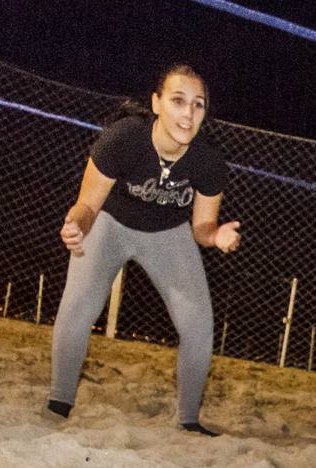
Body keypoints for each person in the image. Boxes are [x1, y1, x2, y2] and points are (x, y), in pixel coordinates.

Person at [48, 63, 240, 435]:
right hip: (110, 224)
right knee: (79, 306)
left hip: (168, 234)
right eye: (178, 101)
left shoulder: (209, 160)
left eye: (198, 105)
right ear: (156, 103)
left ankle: (189, 421)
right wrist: (75, 227)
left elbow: (201, 225)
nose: (188, 113)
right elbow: (87, 205)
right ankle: (58, 404)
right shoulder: (122, 139)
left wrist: (215, 236)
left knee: (199, 324)